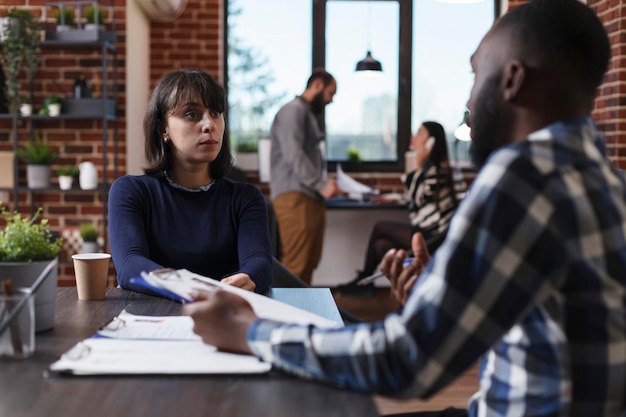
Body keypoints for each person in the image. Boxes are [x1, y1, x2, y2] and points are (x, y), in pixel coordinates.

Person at [183, 1, 626, 416]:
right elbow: (545, 329)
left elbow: (407, 362)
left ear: (512, 80)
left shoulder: (522, 177)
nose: (469, 103)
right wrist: (443, 298)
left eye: (477, 75)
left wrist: (248, 331)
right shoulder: (607, 180)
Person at [109, 68, 273, 296]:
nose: (210, 125)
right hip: (156, 321)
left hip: (224, 316)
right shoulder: (131, 192)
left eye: (216, 113)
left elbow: (260, 262)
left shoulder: (244, 198)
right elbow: (129, 266)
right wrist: (194, 288)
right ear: (162, 128)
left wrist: (249, 277)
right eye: (191, 114)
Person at [339, 121, 458, 292]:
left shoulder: (438, 170)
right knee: (381, 245)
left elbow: (418, 198)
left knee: (380, 227)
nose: (413, 138)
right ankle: (373, 284)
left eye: (419, 134)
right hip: (424, 231)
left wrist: (416, 164)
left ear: (431, 142)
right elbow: (413, 197)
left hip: (434, 236)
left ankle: (366, 281)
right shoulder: (428, 170)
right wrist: (392, 199)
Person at [269, 69, 340, 285]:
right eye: (330, 93)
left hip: (309, 196)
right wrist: (321, 184)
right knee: (296, 266)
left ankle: (304, 315)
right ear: (317, 84)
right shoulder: (292, 111)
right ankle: (286, 317)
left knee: (309, 263)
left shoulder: (308, 114)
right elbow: (294, 154)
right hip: (294, 197)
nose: (330, 100)